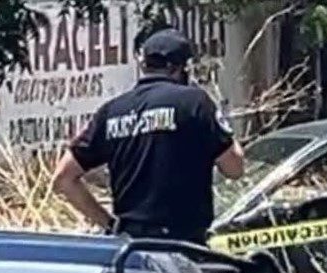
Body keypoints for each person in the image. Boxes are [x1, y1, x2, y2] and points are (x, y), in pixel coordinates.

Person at [53, 28, 245, 244]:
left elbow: (64, 178)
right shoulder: (194, 103)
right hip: (183, 247)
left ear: (144, 65)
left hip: (131, 249)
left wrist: (110, 225)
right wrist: (220, 129)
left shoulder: (111, 111)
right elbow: (234, 168)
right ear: (180, 68)